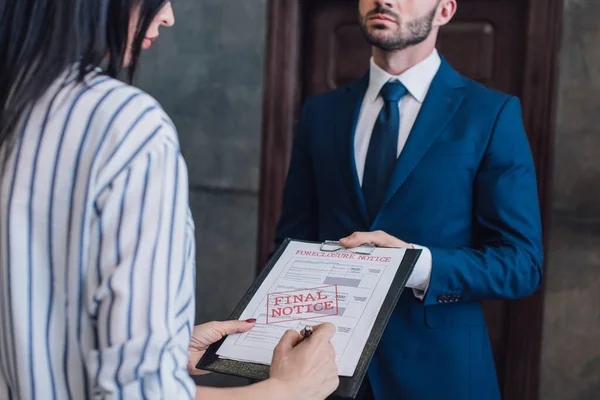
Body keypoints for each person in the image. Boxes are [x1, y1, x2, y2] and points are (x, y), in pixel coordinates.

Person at [0, 1, 338, 399]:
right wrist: (287, 390)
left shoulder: (16, 105)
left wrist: (167, 349)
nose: (169, 15)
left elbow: (39, 315)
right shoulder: (127, 126)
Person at [274, 0, 543, 399]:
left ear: (446, 10)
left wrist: (413, 265)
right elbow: (290, 245)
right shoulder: (321, 112)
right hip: (324, 375)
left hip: (441, 376)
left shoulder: (491, 113)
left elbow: (522, 263)